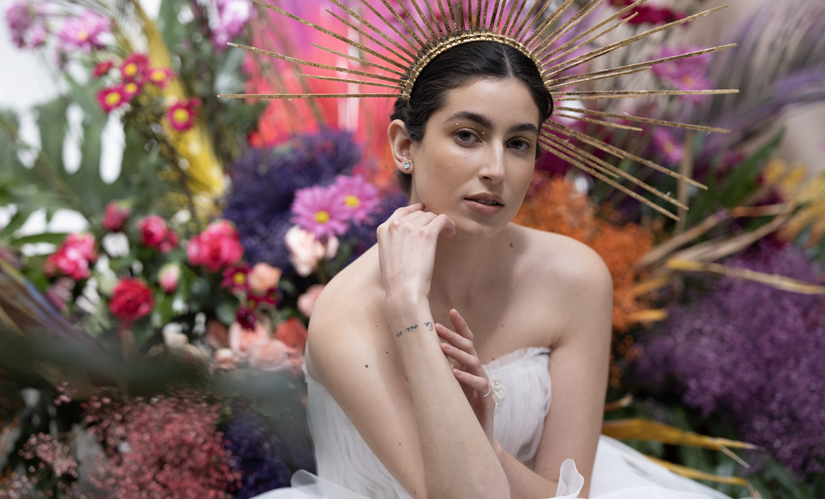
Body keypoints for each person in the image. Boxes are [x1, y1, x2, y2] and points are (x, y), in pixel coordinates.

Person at [254, 42, 736, 499]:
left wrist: (486, 445)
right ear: (404, 144)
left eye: (520, 143)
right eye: (468, 135)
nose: (496, 169)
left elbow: (568, 494)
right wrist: (407, 307)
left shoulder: (575, 278)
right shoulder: (347, 315)